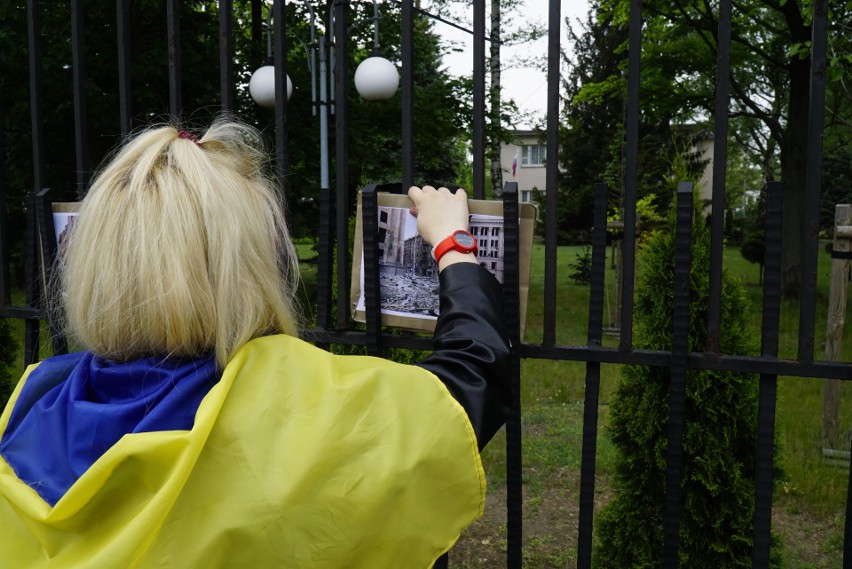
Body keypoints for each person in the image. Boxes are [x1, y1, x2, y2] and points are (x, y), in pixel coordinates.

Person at [0, 120, 510, 568]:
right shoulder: (297, 406)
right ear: (251, 262)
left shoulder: (31, 404)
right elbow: (467, 389)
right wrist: (452, 245)